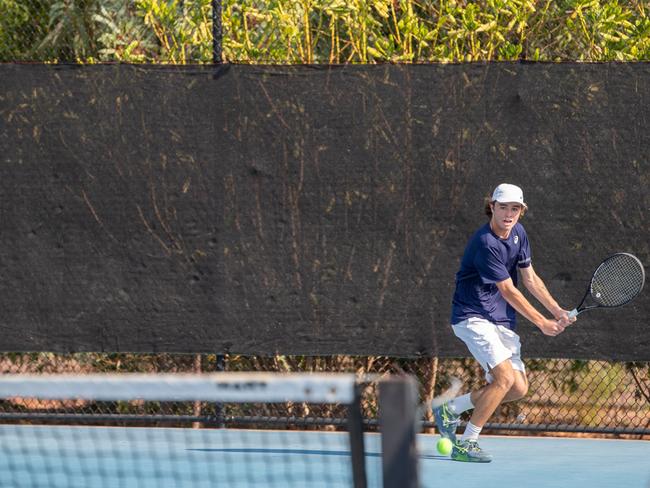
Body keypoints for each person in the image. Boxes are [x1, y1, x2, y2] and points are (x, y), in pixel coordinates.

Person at [434, 183, 575, 463]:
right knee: (504, 378)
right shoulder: (486, 243)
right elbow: (509, 290)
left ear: (521, 211)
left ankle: (452, 408)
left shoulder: (519, 234)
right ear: (492, 207)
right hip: (472, 316)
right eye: (503, 207)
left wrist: (557, 310)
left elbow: (530, 279)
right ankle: (466, 444)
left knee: (517, 388)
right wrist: (541, 322)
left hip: (500, 320)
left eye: (515, 208)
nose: (509, 213)